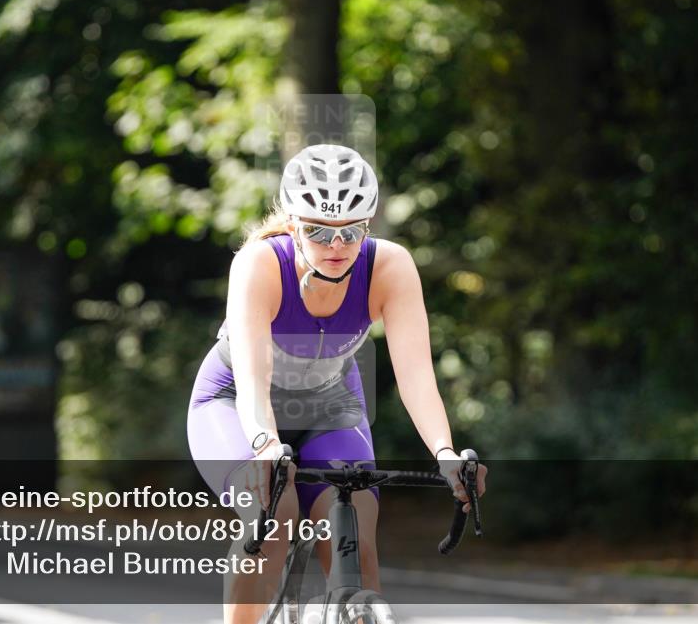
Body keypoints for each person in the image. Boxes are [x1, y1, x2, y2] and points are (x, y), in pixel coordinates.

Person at [187, 144, 488, 624]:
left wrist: (446, 454)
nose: (336, 246)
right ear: (291, 223)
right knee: (273, 514)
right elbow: (252, 379)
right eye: (317, 232)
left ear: (369, 224)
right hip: (234, 402)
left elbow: (415, 374)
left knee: (355, 534)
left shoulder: (389, 267)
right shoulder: (259, 264)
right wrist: (265, 446)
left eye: (351, 231)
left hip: (330, 405)